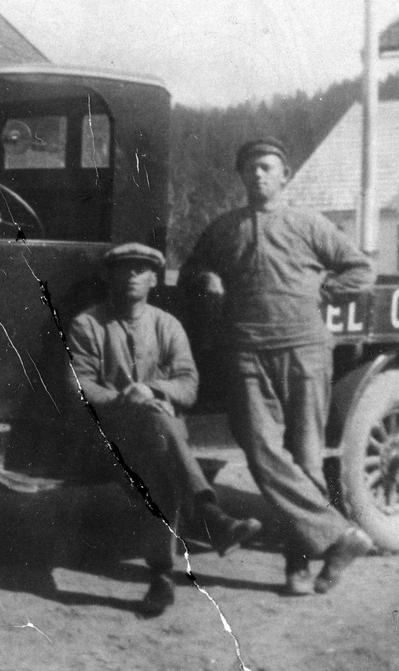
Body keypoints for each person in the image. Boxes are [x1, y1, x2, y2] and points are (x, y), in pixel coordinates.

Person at [179, 138, 377, 596]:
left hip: (306, 351)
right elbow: (192, 270)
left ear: (285, 175)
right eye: (250, 169)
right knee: (262, 451)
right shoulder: (224, 228)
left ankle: (301, 566)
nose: (259, 176)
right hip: (246, 351)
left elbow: (361, 271)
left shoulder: (309, 223)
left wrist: (323, 293)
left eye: (267, 168)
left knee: (307, 457)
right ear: (243, 177)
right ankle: (341, 537)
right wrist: (204, 277)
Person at [68, 242, 263, 617]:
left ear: (154, 279)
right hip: (111, 434)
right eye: (122, 269)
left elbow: (188, 386)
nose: (131, 276)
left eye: (140, 269)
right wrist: (127, 398)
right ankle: (209, 518)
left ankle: (162, 575)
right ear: (108, 276)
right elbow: (80, 388)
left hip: (160, 436)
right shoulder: (87, 324)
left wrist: (154, 389)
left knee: (158, 446)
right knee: (158, 433)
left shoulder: (166, 325)